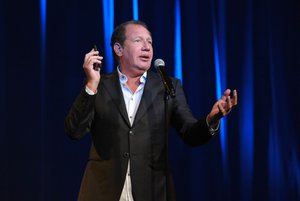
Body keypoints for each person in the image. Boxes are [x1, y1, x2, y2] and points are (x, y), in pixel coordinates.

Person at [64, 20, 237, 201]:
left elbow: (190, 132)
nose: (147, 47)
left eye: (150, 42)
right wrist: (91, 84)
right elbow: (73, 131)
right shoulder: (100, 85)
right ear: (118, 49)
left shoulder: (168, 87)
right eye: (138, 41)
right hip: (103, 191)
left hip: (152, 191)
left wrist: (211, 119)